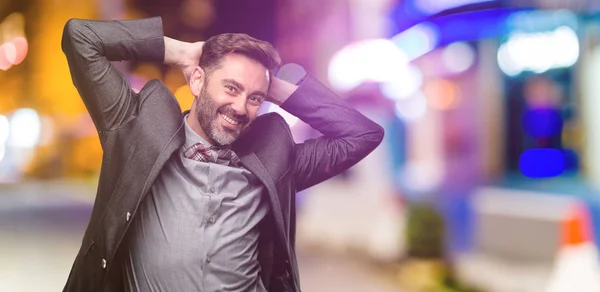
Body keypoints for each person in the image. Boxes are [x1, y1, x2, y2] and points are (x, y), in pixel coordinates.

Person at [61, 16, 384, 292]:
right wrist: (183, 52)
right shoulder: (137, 131)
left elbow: (362, 134)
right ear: (198, 80)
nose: (241, 108)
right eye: (231, 88)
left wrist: (274, 88)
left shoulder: (274, 161)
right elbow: (80, 37)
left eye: (255, 98)